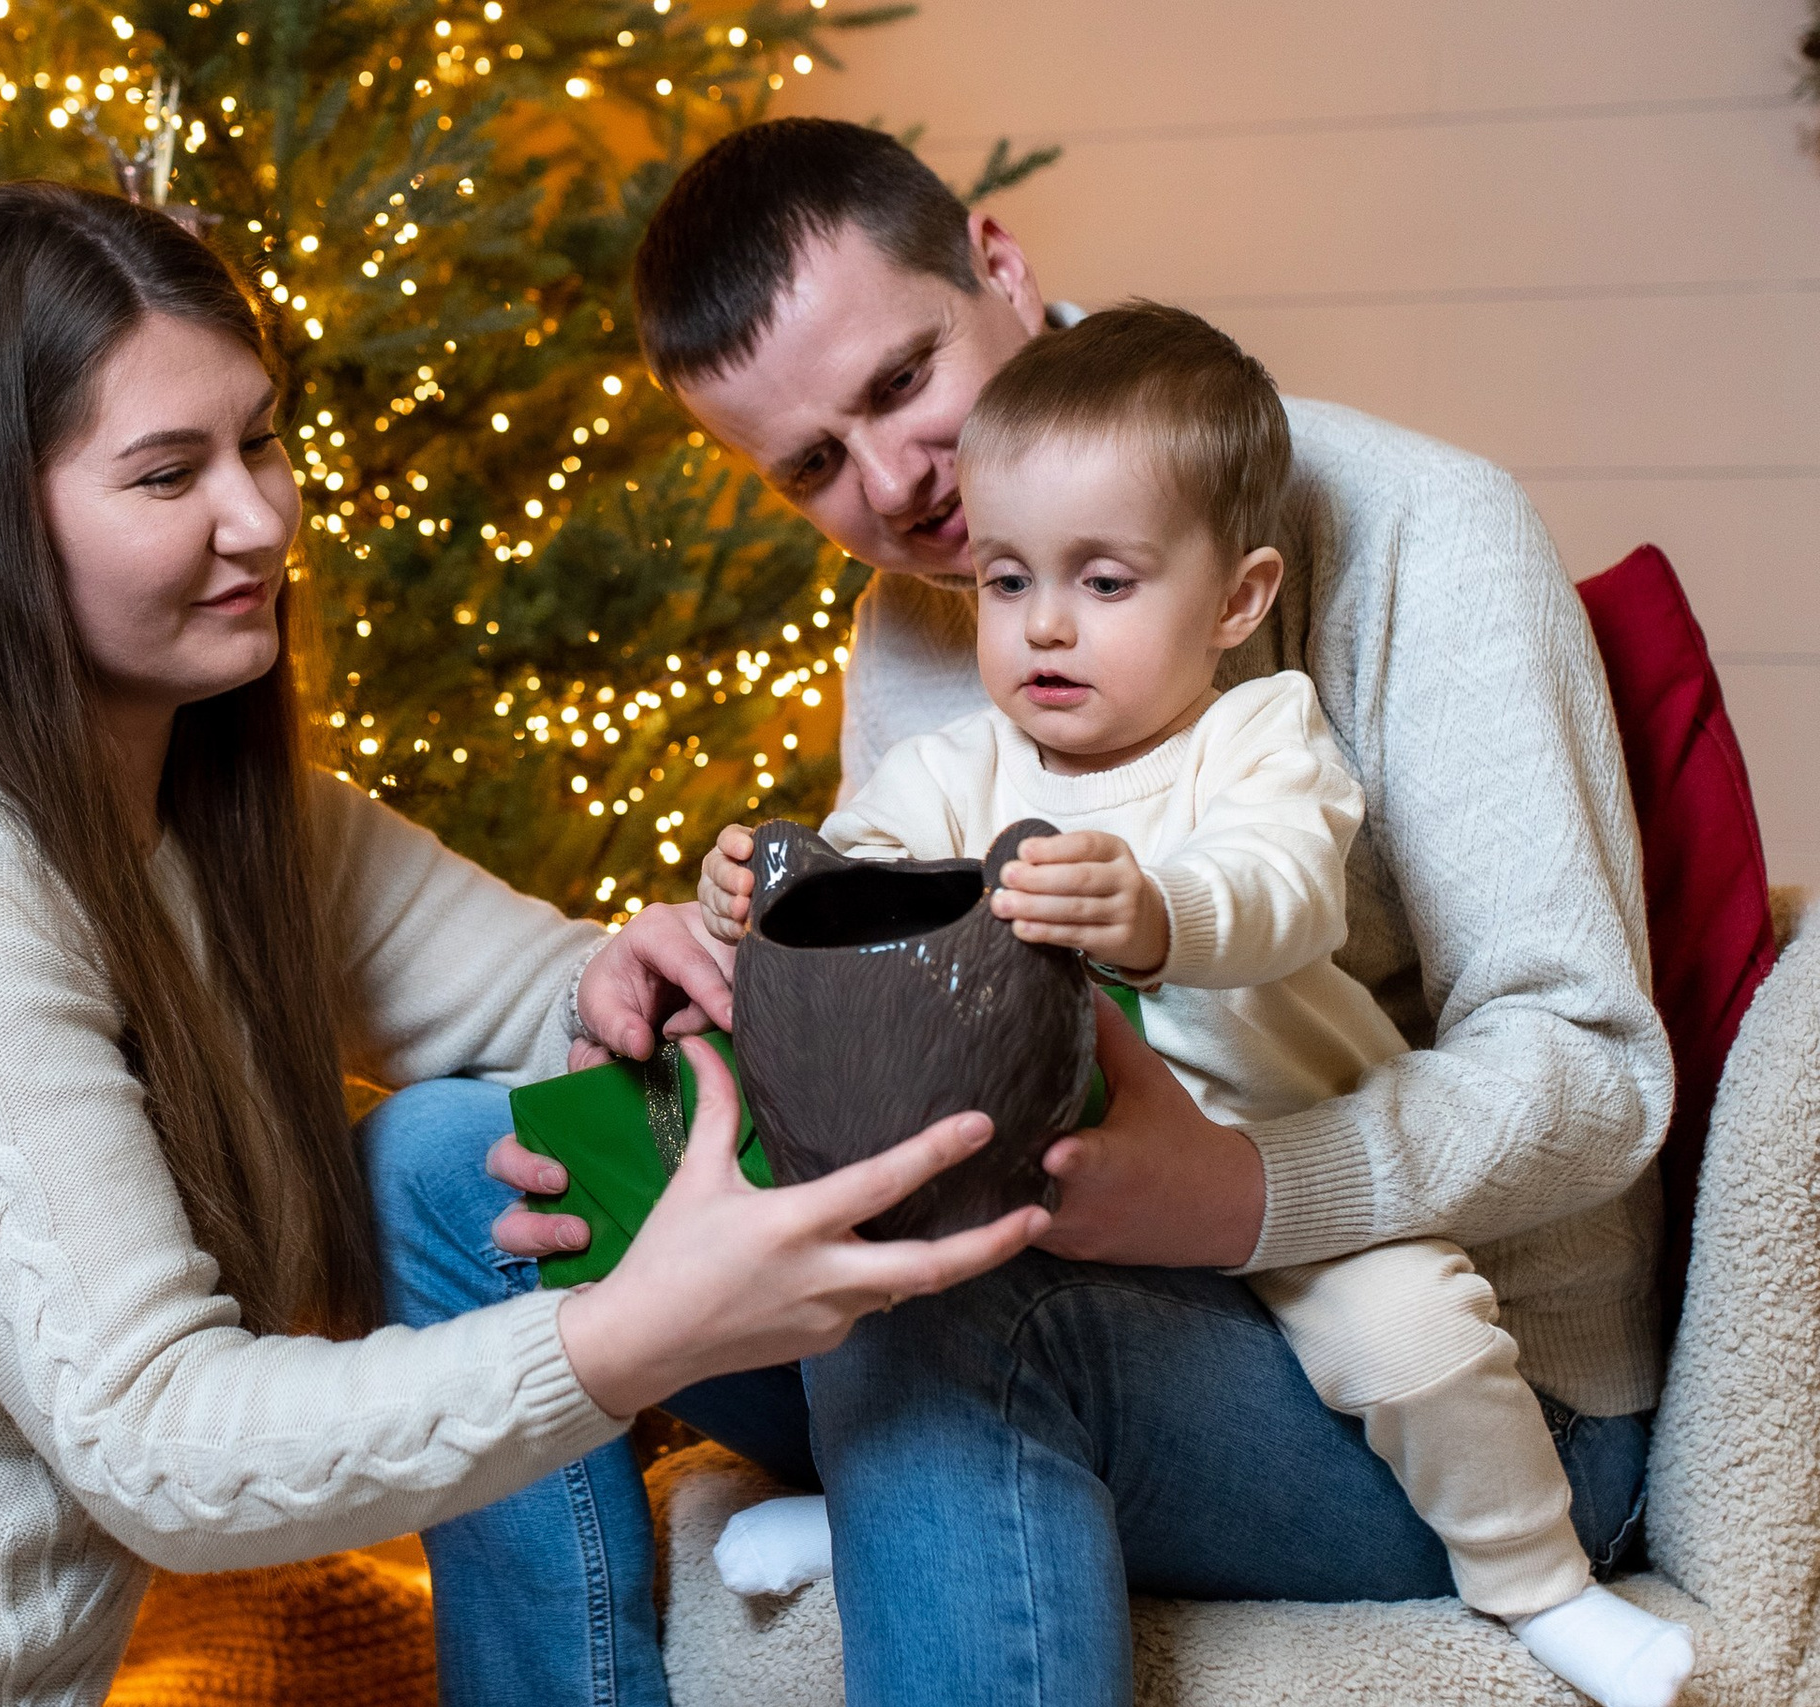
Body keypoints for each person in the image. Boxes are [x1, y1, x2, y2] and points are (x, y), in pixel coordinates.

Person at [0, 182, 1047, 1707]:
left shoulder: (235, 813)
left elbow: (556, 990)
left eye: (262, 441)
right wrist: (635, 1335)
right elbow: (157, 1446)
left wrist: (655, 964)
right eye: (169, 474)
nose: (263, 519)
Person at [372, 119, 1673, 1706]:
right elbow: (901, 960)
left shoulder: (1420, 528)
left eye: (899, 382)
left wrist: (1241, 1194)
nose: (890, 484)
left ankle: (917, 1484)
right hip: (1065, 1237)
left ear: (998, 263)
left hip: (1438, 1372)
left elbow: (1597, 1070)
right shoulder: (923, 625)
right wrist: (727, 987)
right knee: (452, 1169)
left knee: (956, 1304)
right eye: (809, 467)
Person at [695, 302, 1692, 1707]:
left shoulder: (1257, 738)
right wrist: (758, 885)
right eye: (1003, 581)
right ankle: (885, 1518)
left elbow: (1291, 886)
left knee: (1415, 1343)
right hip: (1065, 1202)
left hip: (1290, 1167)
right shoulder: (966, 764)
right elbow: (861, 865)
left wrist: (1162, 918)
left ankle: (1539, 1583)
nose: (1044, 626)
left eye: (1104, 584)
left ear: (1235, 602)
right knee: (893, 1277)